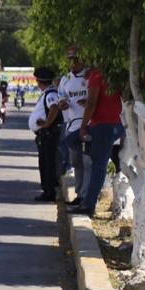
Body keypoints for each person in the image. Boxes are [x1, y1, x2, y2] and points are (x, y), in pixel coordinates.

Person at [73, 64, 124, 216]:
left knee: (98, 165)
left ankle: (89, 204)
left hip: (104, 125)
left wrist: (83, 127)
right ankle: (88, 201)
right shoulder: (114, 74)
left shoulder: (97, 75)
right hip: (114, 124)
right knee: (98, 163)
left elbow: (91, 102)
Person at [56, 47, 90, 206]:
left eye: (76, 59)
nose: (73, 63)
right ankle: (79, 194)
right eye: (71, 59)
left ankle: (86, 194)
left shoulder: (91, 76)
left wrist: (89, 103)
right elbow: (61, 98)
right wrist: (62, 103)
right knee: (76, 162)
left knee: (88, 161)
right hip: (72, 126)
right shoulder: (65, 80)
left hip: (89, 125)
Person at [29, 67, 62, 202]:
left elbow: (54, 107)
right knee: (45, 163)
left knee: (47, 164)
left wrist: (47, 123)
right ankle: (48, 190)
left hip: (48, 134)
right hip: (45, 134)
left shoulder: (50, 94)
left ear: (39, 81)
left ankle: (49, 192)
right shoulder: (47, 93)